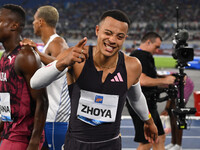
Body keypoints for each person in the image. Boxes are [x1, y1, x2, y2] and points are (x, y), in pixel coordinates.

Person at [28, 9, 159, 150]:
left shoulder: (131, 66)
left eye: (119, 36)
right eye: (108, 33)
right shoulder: (77, 56)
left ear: (125, 38)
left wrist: (149, 121)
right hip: (76, 144)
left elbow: (136, 97)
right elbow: (35, 82)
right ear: (97, 30)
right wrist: (63, 62)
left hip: (110, 145)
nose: (112, 40)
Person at [21, 5, 70, 150]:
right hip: (48, 115)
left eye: (34, 20)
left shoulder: (57, 42)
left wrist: (37, 53)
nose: (33, 24)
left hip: (56, 118)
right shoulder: (48, 44)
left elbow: (63, 65)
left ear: (41, 22)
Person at [0, 4, 48, 150]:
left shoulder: (25, 56)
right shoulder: (5, 57)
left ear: (13, 25)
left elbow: (42, 101)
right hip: (9, 133)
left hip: (22, 137)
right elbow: (8, 104)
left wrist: (34, 142)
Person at [126, 32, 176, 150]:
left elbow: (151, 78)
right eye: (156, 46)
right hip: (141, 104)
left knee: (159, 137)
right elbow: (142, 80)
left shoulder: (146, 56)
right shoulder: (139, 56)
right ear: (148, 42)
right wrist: (165, 81)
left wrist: (168, 80)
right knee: (147, 142)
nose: (158, 50)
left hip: (149, 102)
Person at [161, 75, 194, 150]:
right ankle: (173, 143)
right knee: (171, 114)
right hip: (175, 87)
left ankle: (178, 145)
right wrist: (167, 109)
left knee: (177, 115)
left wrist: (166, 109)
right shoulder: (166, 82)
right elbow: (170, 97)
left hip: (184, 87)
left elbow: (172, 97)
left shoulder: (169, 80)